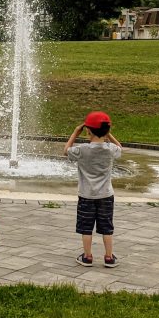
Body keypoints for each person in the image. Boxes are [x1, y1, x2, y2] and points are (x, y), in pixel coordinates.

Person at [63, 111, 123, 268]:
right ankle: (109, 257)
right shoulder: (110, 149)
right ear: (107, 131)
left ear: (88, 130)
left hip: (86, 196)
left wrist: (76, 132)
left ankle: (87, 257)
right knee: (107, 227)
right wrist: (109, 135)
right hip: (106, 195)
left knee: (86, 228)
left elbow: (66, 150)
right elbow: (119, 147)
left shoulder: (82, 150)